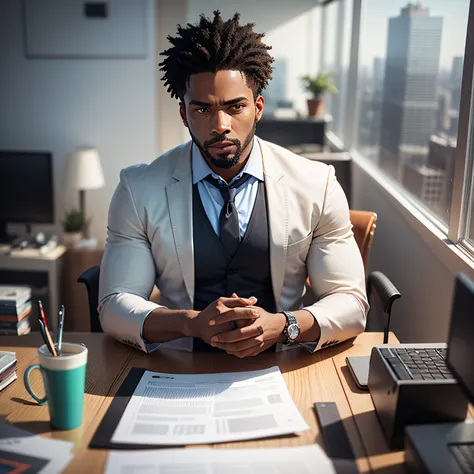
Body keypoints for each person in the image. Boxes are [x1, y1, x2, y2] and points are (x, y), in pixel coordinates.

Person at [98, 11, 368, 357]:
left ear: (257, 107)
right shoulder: (139, 189)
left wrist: (285, 325)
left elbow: (351, 302)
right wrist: (190, 323)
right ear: (184, 114)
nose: (220, 124)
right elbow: (114, 304)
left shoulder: (317, 184)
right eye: (203, 110)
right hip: (180, 367)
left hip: (281, 369)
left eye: (235, 107)